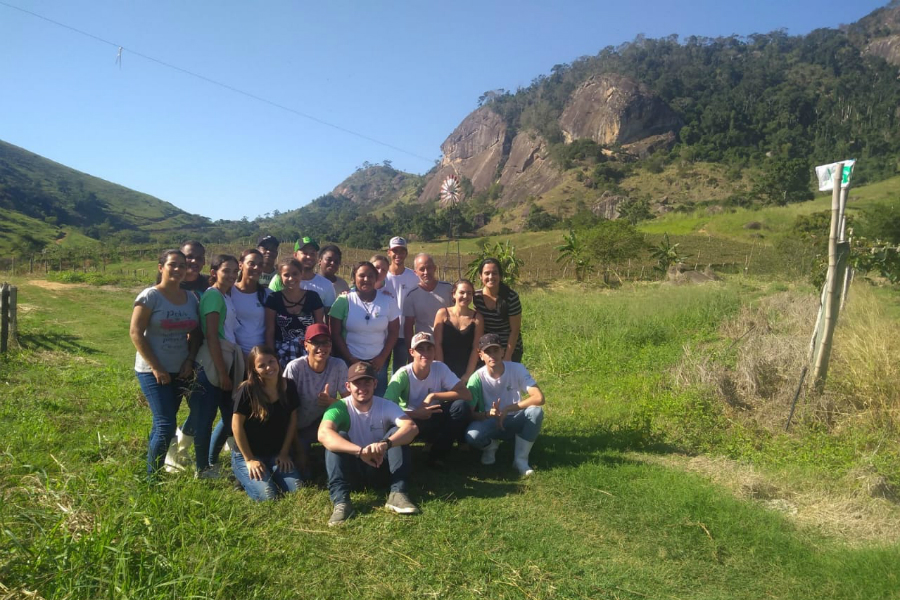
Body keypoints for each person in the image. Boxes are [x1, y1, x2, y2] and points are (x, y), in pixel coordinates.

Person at [318, 361, 420, 526]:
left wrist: (385, 444)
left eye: (367, 382)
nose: (362, 387)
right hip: (353, 470)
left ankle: (398, 494)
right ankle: (342, 502)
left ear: (375, 383)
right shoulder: (340, 407)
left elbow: (412, 427)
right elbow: (323, 434)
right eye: (357, 383)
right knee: (338, 437)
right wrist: (360, 451)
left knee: (397, 432)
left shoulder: (386, 405)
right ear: (348, 386)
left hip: (380, 467)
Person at [130, 249, 200, 477]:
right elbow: (136, 333)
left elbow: (196, 333)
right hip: (152, 371)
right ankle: (152, 478)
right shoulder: (150, 296)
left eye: (182, 265)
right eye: (173, 265)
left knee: (162, 422)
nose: (179, 269)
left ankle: (153, 462)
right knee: (165, 424)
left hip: (179, 369)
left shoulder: (190, 298)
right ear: (161, 267)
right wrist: (156, 367)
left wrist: (189, 360)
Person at [208, 248, 270, 464]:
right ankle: (211, 458)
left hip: (260, 362)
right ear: (241, 264)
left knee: (256, 410)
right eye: (251, 263)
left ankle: (248, 453)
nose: (255, 268)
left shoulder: (266, 294)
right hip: (235, 359)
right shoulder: (228, 292)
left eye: (260, 264)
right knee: (234, 411)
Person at [185, 254, 245, 476]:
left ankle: (211, 461)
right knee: (206, 417)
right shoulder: (213, 297)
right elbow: (211, 335)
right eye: (225, 271)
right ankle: (201, 468)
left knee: (229, 415)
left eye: (234, 271)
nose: (231, 275)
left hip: (225, 358)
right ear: (213, 273)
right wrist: (222, 372)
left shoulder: (225, 296)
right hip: (211, 362)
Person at [384, 332, 471, 465]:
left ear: (435, 351)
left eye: (429, 348)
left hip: (434, 415)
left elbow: (466, 394)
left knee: (461, 407)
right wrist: (416, 413)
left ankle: (437, 455)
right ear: (412, 352)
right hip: (410, 420)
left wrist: (433, 395)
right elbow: (386, 409)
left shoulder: (440, 368)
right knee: (397, 427)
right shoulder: (403, 374)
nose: (425, 353)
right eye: (420, 349)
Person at [465, 334, 544, 477]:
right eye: (487, 352)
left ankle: (520, 460)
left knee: (536, 412)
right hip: (490, 421)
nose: (492, 355)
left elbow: (539, 397)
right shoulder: (476, 378)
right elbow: (469, 413)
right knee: (472, 436)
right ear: (480, 355)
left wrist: (508, 408)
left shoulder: (517, 368)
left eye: (496, 350)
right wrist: (488, 414)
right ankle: (491, 446)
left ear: (502, 351)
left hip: (515, 417)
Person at [231, 346, 302, 501]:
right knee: (268, 497)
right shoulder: (247, 389)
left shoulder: (289, 386)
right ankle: (242, 474)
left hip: (276, 454)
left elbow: (292, 421)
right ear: (254, 369)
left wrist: (284, 453)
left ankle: (268, 472)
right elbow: (236, 426)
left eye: (271, 361)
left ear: (277, 361)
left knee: (297, 490)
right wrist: (249, 459)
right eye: (261, 365)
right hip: (249, 454)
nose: (269, 367)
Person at [283, 324, 348, 471]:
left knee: (347, 427)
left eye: (325, 342)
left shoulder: (338, 365)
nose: (321, 347)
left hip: (324, 423)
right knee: (303, 472)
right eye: (316, 343)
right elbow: (286, 411)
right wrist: (299, 451)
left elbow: (351, 404)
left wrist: (332, 402)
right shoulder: (295, 368)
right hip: (296, 426)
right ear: (306, 345)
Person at [329, 261, 399, 396]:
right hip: (349, 359)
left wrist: (382, 357)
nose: (366, 279)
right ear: (354, 277)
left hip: (378, 361)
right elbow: (335, 333)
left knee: (377, 398)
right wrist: (350, 358)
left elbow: (394, 332)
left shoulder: (388, 301)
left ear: (376, 278)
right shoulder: (343, 301)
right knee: (352, 399)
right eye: (361, 276)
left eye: (370, 276)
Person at [265, 258, 325, 368]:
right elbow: (270, 330)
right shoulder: (273, 298)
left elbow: (319, 327)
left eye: (295, 274)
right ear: (280, 277)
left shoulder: (313, 297)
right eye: (286, 275)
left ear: (301, 274)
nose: (291, 278)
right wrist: (272, 356)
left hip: (308, 351)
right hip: (281, 352)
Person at [473, 258, 523, 363]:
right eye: (487, 273)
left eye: (494, 273)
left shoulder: (511, 297)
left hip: (508, 348)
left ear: (500, 276)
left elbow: (515, 330)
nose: (491, 277)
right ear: (480, 276)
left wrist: (507, 357)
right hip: (487, 348)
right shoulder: (477, 297)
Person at [269, 235, 337, 311]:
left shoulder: (326, 285)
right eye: (305, 253)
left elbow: (330, 317)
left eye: (312, 254)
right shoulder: (279, 279)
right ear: (295, 255)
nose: (309, 257)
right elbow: (270, 306)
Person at [433, 279, 484, 381]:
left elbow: (476, 348)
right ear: (454, 294)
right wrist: (443, 372)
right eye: (462, 292)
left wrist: (468, 375)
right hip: (444, 368)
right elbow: (437, 344)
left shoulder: (477, 318)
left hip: (468, 369)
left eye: (469, 293)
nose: (465, 296)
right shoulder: (442, 314)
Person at [384, 236, 419, 374]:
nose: (398, 254)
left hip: (404, 332)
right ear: (389, 252)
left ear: (406, 253)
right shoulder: (382, 276)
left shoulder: (413, 277)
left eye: (402, 251)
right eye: (395, 251)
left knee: (399, 371)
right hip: (383, 332)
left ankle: (395, 395)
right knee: (380, 369)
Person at [403, 253, 452, 341]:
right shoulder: (411, 296)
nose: (426, 272)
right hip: (425, 345)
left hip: (447, 341)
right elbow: (408, 327)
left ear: (434, 268)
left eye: (429, 268)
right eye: (422, 269)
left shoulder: (448, 289)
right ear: (415, 272)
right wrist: (411, 352)